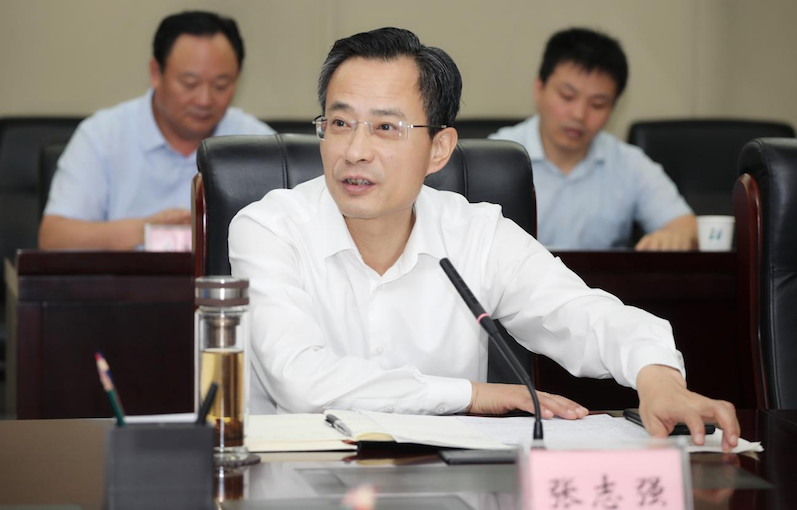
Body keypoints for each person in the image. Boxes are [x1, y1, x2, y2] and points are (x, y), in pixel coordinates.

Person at [229, 27, 738, 450]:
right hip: (294, 480)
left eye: (386, 127)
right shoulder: (268, 228)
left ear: (439, 149)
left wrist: (657, 376)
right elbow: (300, 381)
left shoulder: (476, 233)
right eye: (340, 122)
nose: (355, 150)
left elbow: (582, 313)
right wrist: (470, 395)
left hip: (439, 485)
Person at [39, 11, 274, 250]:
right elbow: (54, 238)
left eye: (221, 85)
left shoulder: (259, 145)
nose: (204, 100)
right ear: (155, 73)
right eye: (190, 83)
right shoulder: (103, 136)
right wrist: (145, 231)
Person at [489, 28, 697, 251]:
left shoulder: (629, 164)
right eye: (567, 96)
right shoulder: (495, 158)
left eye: (597, 104)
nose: (579, 114)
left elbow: (686, 228)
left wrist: (675, 237)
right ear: (539, 88)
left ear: (613, 108)